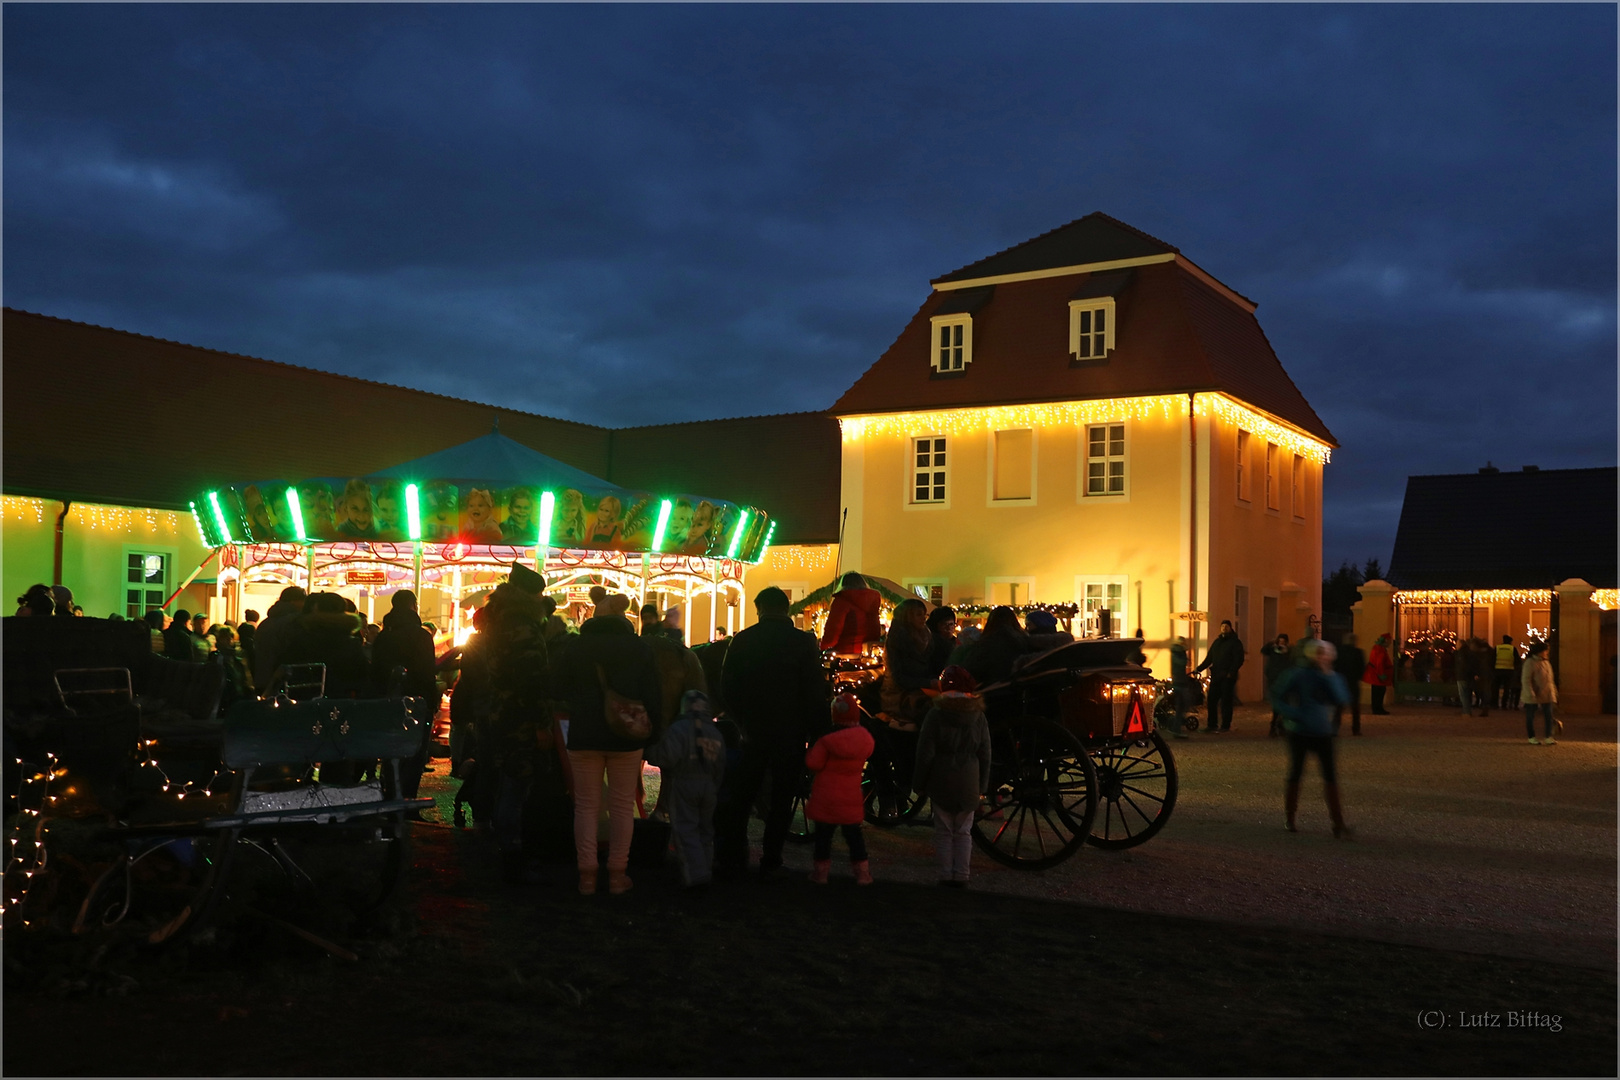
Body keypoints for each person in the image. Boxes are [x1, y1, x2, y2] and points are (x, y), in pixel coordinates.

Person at [552, 580, 662, 896]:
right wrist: (653, 730)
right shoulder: (640, 648)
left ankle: (586, 874)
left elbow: (557, 689)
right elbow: (653, 695)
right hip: (626, 736)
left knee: (586, 806)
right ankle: (617, 874)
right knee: (622, 804)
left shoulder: (575, 646)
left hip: (584, 733)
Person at [716, 586, 830, 879]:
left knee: (743, 794)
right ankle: (771, 856)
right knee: (782, 797)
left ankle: (734, 853)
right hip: (790, 731)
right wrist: (815, 729)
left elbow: (727, 686)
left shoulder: (744, 640)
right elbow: (814, 690)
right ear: (786, 608)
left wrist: (741, 721)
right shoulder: (802, 643)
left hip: (753, 728)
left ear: (760, 609)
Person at [480, 564, 560, 884]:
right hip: (521, 718)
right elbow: (533, 680)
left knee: (507, 782)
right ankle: (513, 856)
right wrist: (542, 723)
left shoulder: (497, 620)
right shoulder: (523, 626)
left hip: (501, 712)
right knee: (519, 785)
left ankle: (506, 848)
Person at [911, 666, 990, 887]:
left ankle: (946, 874)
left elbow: (925, 753)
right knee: (964, 832)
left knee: (944, 831)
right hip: (969, 780)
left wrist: (919, 783)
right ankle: (962, 874)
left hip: (941, 778)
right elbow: (985, 754)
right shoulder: (978, 717)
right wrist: (982, 785)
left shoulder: (935, 714)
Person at [1270, 639, 1352, 838]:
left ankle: (1338, 823)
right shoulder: (1297, 674)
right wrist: (1293, 714)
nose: (1321, 656)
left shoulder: (1330, 676)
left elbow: (1341, 698)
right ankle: (1290, 817)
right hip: (1299, 732)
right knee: (1296, 774)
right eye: (1318, 653)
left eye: (1324, 653)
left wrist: (1329, 675)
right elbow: (1276, 695)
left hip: (1323, 732)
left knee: (1330, 777)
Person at [645, 689, 726, 889]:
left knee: (686, 829)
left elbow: (667, 757)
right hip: (709, 786)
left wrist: (649, 752)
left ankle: (696, 876)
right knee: (705, 829)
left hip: (685, 782)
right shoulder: (715, 732)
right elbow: (721, 765)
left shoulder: (678, 728)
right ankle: (705, 868)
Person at [805, 693, 876, 886]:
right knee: (854, 837)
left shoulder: (827, 740)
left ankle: (820, 874)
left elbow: (814, 762)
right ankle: (862, 874)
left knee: (823, 838)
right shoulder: (865, 739)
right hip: (850, 797)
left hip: (826, 796)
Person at [277, 592, 371, 698]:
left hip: (306, 697)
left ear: (316, 608)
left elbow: (287, 667)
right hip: (341, 697)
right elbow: (362, 676)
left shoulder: (302, 639)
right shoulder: (351, 644)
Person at [371, 590, 438, 699]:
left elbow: (376, 669)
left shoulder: (383, 636)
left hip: (385, 696)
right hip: (415, 697)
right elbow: (427, 672)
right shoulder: (421, 635)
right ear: (414, 605)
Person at [961, 606, 1035, 688]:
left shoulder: (984, 643)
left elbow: (971, 669)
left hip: (990, 690)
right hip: (1017, 689)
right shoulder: (1022, 641)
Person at [253, 585, 309, 689]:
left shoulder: (266, 623)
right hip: (283, 678)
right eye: (302, 601)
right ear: (293, 601)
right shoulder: (294, 621)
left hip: (263, 676)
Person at [1195, 620, 1246, 733]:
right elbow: (1209, 658)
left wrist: (1231, 672)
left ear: (1230, 628)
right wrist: (1199, 669)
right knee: (1212, 700)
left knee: (1226, 702)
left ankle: (1225, 725)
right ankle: (1212, 724)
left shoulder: (1235, 643)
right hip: (1216, 675)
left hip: (1227, 677)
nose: (1224, 628)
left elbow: (1239, 659)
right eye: (1222, 626)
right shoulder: (1217, 643)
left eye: (1226, 626)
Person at [819, 572, 882, 655]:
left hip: (845, 652)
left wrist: (823, 647)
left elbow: (833, 630)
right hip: (869, 653)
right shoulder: (872, 601)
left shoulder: (841, 601)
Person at [1521, 641, 1559, 745]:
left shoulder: (1546, 662)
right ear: (1539, 652)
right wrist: (1530, 693)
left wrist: (1553, 692)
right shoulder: (1530, 663)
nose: (1547, 652)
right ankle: (1531, 736)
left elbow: (1550, 680)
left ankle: (1548, 736)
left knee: (1548, 715)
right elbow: (1526, 679)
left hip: (1546, 693)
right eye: (1545, 650)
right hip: (1534, 693)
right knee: (1530, 716)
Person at [1333, 633, 1366, 736]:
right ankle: (1355, 729)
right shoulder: (1358, 652)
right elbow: (1362, 668)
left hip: (1341, 682)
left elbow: (1334, 666)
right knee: (1355, 708)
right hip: (1353, 682)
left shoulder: (1338, 652)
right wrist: (1358, 677)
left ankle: (1335, 728)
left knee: (1338, 708)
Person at [212, 624, 253, 707]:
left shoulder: (238, 655)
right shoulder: (216, 656)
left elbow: (245, 674)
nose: (229, 640)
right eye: (225, 637)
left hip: (238, 692)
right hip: (225, 694)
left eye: (231, 637)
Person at [1261, 633, 1292, 736]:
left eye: (1283, 642)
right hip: (1273, 681)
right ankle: (1275, 725)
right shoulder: (1272, 650)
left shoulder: (1289, 652)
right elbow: (1263, 650)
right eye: (1280, 641)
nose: (1281, 644)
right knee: (1276, 704)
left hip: (1284, 681)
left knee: (1283, 703)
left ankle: (1279, 724)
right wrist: (1271, 643)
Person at [1167, 636, 1196, 738]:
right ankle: (1176, 728)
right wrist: (1185, 654)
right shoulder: (1177, 653)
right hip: (1179, 682)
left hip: (1179, 681)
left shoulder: (1177, 652)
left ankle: (1176, 726)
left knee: (1182, 705)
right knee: (1182, 705)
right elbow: (1182, 663)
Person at [1364, 634, 1394, 715]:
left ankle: (1377, 708)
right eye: (1389, 641)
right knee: (1379, 692)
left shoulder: (1378, 648)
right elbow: (1379, 663)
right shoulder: (1380, 650)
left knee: (1376, 692)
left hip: (1375, 674)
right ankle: (1378, 709)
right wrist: (1381, 674)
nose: (1390, 643)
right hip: (1378, 675)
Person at [925, 606, 958, 677]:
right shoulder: (932, 643)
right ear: (936, 626)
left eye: (951, 624)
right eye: (944, 624)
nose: (948, 628)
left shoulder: (955, 642)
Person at [1493, 635, 1517, 710]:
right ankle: (1504, 705)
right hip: (1509, 671)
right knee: (1507, 689)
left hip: (1497, 670)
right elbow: (1517, 661)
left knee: (1496, 688)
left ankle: (1495, 704)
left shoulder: (1497, 648)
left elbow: (1492, 659)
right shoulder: (1512, 649)